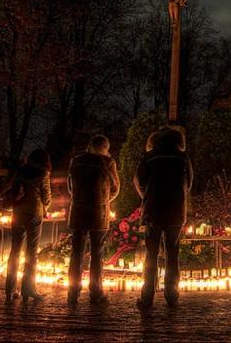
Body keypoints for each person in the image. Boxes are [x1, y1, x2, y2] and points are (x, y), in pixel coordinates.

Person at [133, 127, 193, 308]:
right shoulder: (183, 158)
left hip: (153, 210)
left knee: (151, 253)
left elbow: (139, 181)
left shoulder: (149, 157)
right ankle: (172, 295)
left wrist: (148, 196)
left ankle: (147, 296)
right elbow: (188, 183)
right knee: (172, 253)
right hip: (175, 211)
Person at [67, 134, 120, 305]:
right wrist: (103, 200)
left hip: (78, 211)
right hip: (98, 213)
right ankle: (96, 292)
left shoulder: (76, 161)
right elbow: (115, 188)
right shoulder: (107, 163)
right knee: (97, 253)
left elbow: (70, 186)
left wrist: (78, 198)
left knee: (77, 252)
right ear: (105, 147)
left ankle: (73, 292)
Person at [4, 149, 52, 302]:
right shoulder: (43, 174)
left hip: (18, 212)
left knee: (15, 250)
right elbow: (46, 198)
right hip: (33, 213)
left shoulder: (20, 171)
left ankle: (10, 290)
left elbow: (11, 189)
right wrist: (46, 209)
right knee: (31, 252)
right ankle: (28, 289)